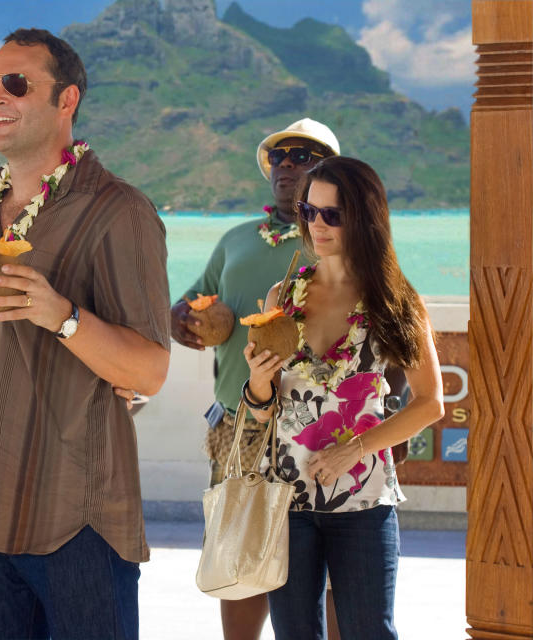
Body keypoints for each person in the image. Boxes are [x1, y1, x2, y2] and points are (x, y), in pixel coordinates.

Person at [0, 28, 170, 639]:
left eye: (16, 84)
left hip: (76, 520)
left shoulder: (118, 210)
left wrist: (64, 317)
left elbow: (149, 369)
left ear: (66, 100)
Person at [244, 156, 444, 639]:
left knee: (370, 632)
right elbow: (263, 410)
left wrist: (353, 450)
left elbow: (429, 402)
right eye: (310, 212)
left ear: (364, 217)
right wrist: (257, 381)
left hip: (364, 501)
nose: (318, 225)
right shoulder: (281, 297)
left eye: (332, 214)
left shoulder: (394, 301)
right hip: (286, 501)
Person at [170, 117, 339, 640]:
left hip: (317, 428)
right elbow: (191, 301)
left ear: (329, 171)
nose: (288, 163)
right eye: (281, 155)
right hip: (238, 428)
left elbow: (387, 324)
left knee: (330, 570)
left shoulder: (338, 241)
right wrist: (184, 319)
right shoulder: (237, 239)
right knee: (238, 559)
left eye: (303, 155)